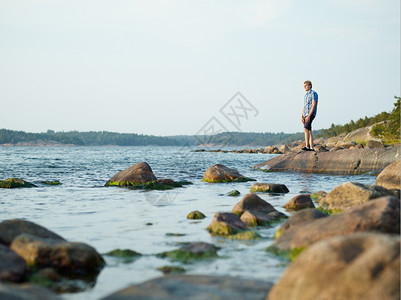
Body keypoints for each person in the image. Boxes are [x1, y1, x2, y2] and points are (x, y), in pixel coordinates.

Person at [301, 80, 318, 151]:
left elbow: (314, 105)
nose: (305, 87)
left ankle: (307, 146)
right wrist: (302, 116)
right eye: (304, 86)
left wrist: (309, 116)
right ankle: (311, 147)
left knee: (305, 129)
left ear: (310, 86)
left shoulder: (313, 93)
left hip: (310, 113)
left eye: (306, 85)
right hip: (305, 114)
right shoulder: (305, 95)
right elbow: (304, 106)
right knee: (309, 130)